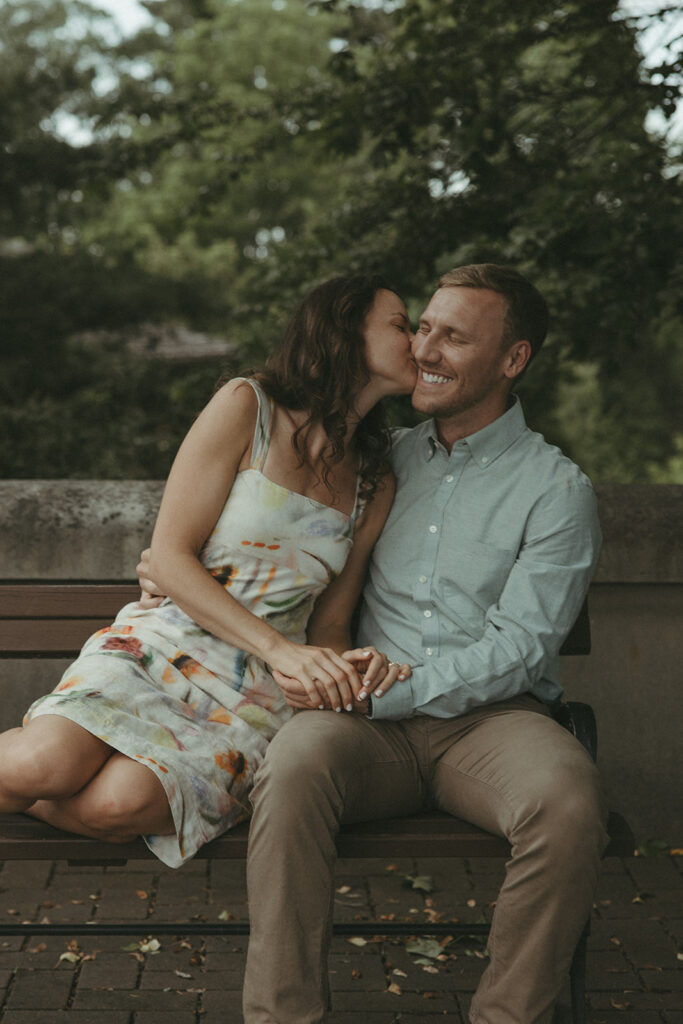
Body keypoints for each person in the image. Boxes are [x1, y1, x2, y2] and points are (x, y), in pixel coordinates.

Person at [138, 264, 607, 1024]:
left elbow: (521, 647)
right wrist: (172, 567)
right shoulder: (378, 460)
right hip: (358, 720)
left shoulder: (555, 490)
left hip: (489, 720)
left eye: (453, 337)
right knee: (289, 769)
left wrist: (392, 687)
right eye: (421, 327)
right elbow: (269, 537)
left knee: (568, 799)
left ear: (512, 359)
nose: (426, 347)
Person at [0, 274, 417, 868]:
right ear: (344, 331)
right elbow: (169, 557)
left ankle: (32, 802)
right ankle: (31, 786)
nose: (417, 340)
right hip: (167, 645)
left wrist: (333, 674)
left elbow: (330, 624)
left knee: (116, 806)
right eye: (400, 325)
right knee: (39, 766)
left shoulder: (375, 481)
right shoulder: (248, 405)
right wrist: (282, 649)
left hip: (254, 699)